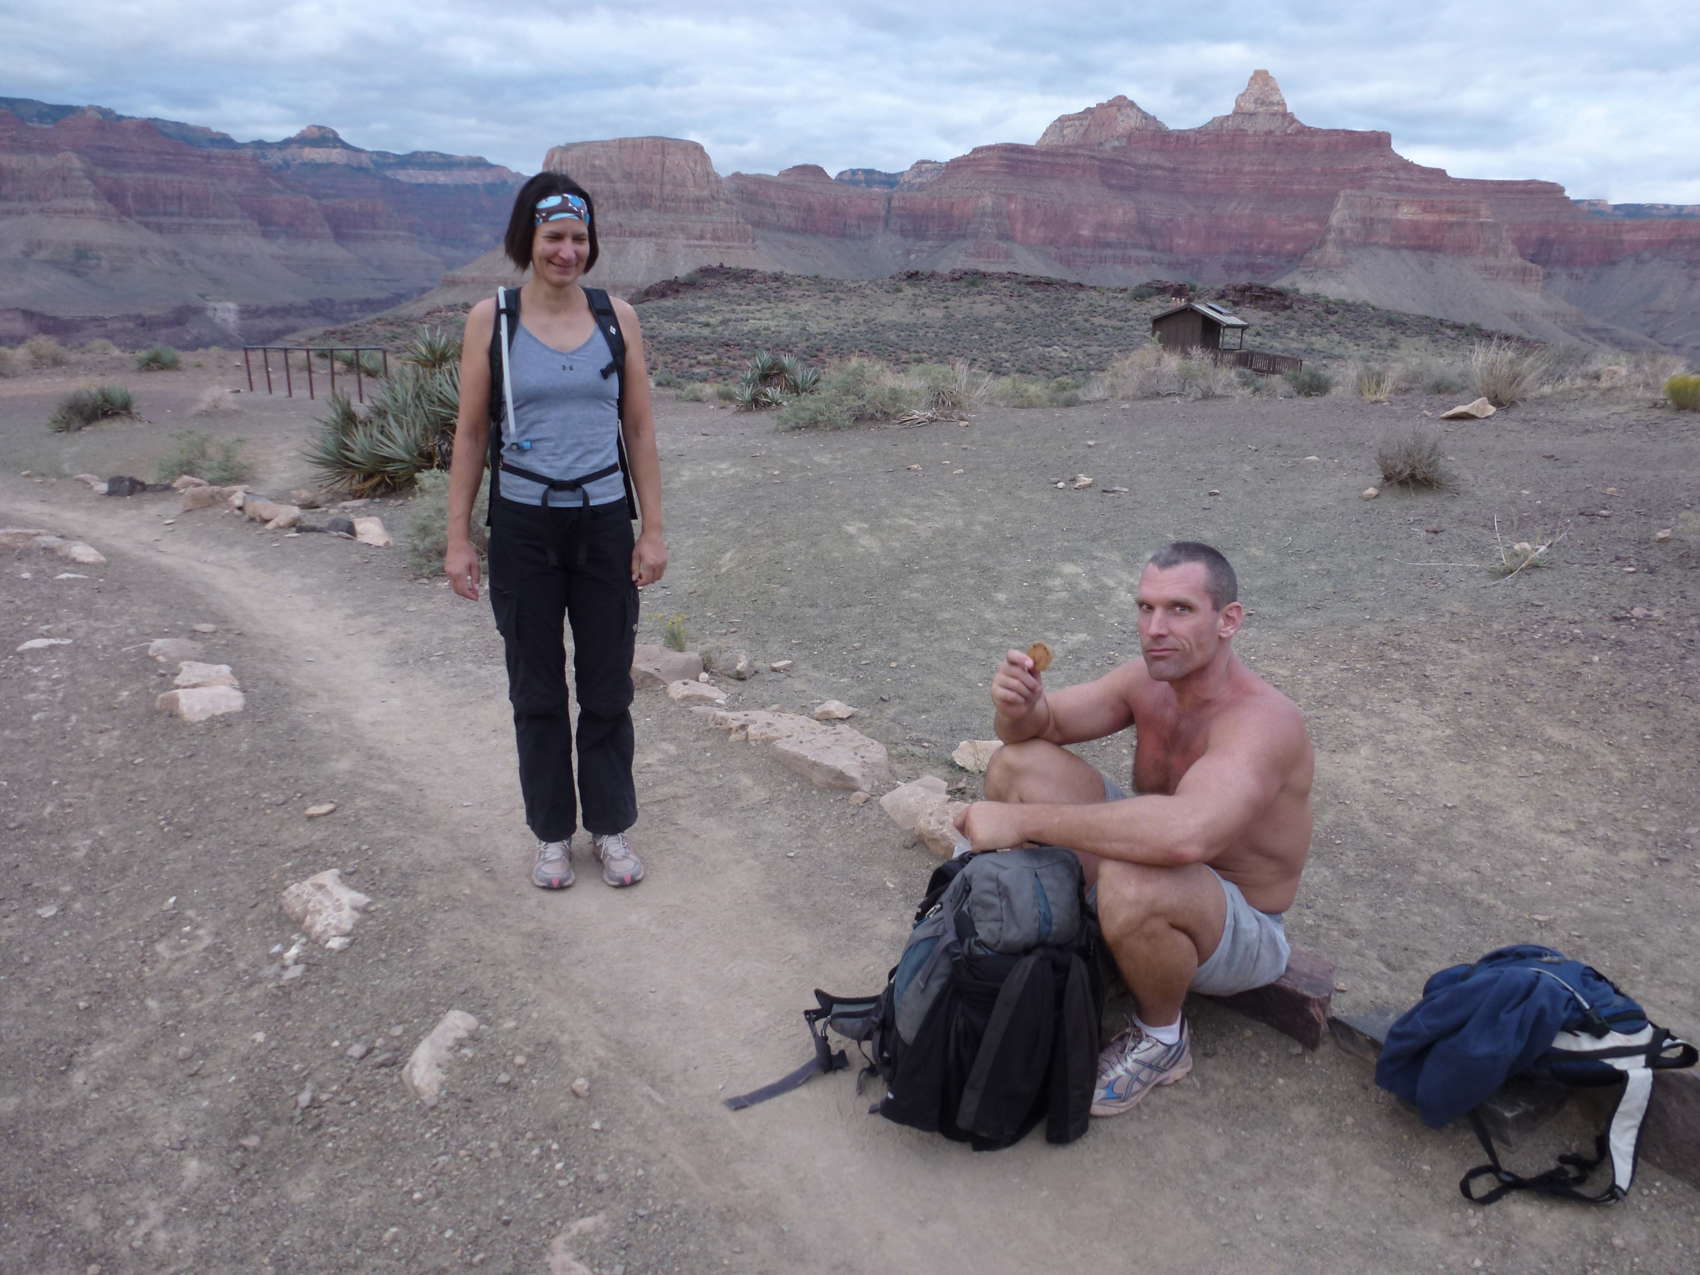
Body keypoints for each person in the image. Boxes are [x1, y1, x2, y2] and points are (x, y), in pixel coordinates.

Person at [954, 542, 1313, 1116]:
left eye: (1179, 609)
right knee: (1018, 766)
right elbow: (1037, 729)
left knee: (1134, 879)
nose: (1155, 628)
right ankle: (1094, 946)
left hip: (1241, 923)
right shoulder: (1147, 682)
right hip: (1160, 864)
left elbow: (1186, 835)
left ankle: (1162, 1039)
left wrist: (1018, 821)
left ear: (1228, 620)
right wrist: (1017, 708)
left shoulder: (1264, 722)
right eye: (1146, 608)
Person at [443, 172, 667, 891]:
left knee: (606, 685)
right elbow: (471, 432)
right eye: (553, 237)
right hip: (523, 527)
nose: (567, 251)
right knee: (536, 689)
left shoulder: (617, 317)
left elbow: (639, 428)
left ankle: (610, 824)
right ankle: (550, 833)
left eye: (578, 237)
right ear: (528, 240)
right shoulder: (492, 319)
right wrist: (457, 537)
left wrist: (652, 529)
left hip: (603, 523)